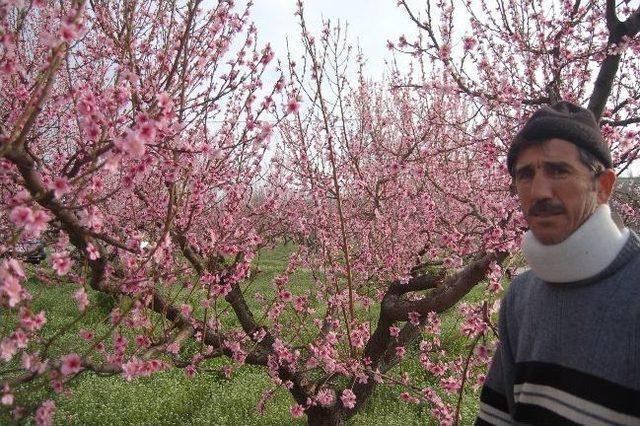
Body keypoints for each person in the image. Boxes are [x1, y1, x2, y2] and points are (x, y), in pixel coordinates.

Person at [476, 101, 640, 425]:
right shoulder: (520, 298)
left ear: (603, 186)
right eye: (525, 175)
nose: (538, 191)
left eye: (558, 171)